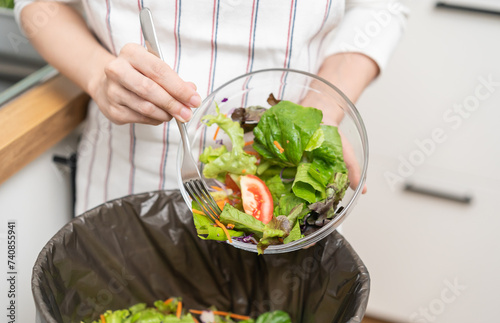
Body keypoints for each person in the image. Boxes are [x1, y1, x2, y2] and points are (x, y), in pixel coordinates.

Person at [15, 0, 408, 215]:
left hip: (285, 178)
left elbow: (380, 6)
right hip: (127, 171)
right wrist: (96, 73)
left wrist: (320, 109)